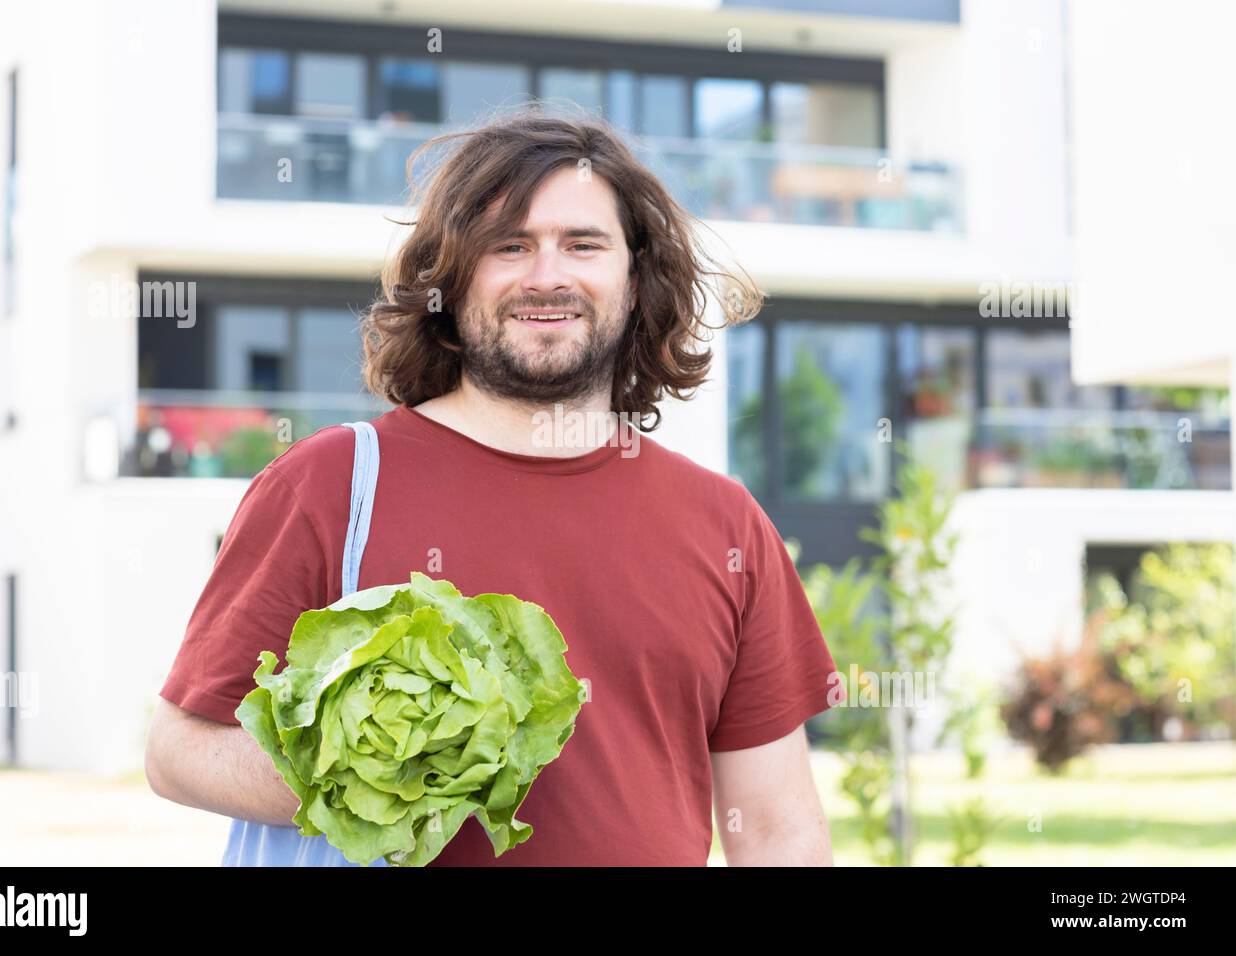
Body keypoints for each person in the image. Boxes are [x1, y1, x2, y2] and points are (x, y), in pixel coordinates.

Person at [146, 106, 845, 866]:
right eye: (509, 246)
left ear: (637, 281)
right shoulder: (330, 484)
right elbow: (179, 750)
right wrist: (370, 776)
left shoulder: (725, 524)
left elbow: (777, 828)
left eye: (583, 244)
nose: (547, 276)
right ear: (452, 275)